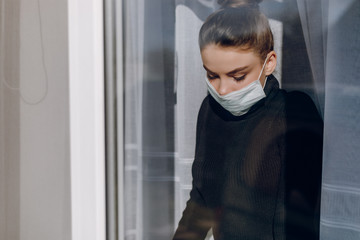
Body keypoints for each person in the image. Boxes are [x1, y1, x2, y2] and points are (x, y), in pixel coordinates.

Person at [172, 0, 323, 239]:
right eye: (212, 75)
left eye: (238, 76)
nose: (222, 90)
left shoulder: (292, 113)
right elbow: (201, 199)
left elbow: (300, 221)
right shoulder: (211, 111)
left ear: (269, 63)